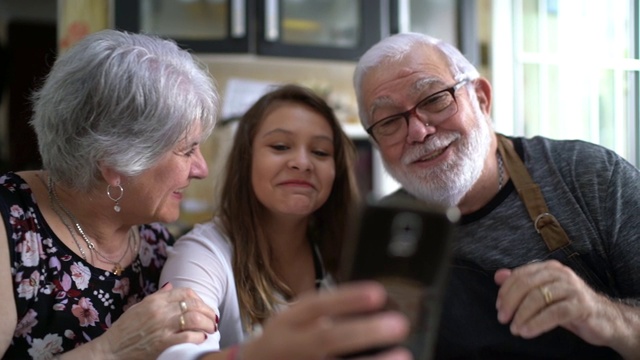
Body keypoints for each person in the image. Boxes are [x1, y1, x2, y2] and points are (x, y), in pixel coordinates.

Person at [353, 32, 640, 359]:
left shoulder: (589, 176)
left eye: (434, 99)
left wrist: (601, 315)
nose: (418, 132)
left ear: (481, 97)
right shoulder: (385, 235)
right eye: (389, 121)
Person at [0, 29, 221, 359]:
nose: (201, 169)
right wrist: (113, 349)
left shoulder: (156, 242)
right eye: (187, 151)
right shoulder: (10, 228)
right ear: (117, 161)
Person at [158, 84, 411, 360]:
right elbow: (177, 355)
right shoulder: (202, 252)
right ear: (246, 159)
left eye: (320, 152)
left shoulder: (349, 253)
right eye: (280, 146)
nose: (302, 163)